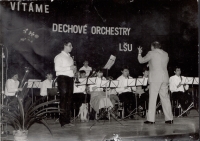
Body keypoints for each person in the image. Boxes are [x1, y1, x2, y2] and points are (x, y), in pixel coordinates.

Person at [137, 41, 173, 124]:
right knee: (165, 98)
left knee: (153, 98)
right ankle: (169, 119)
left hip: (155, 78)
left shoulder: (151, 53)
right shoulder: (165, 54)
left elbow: (141, 61)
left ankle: (151, 120)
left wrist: (139, 53)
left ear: (153, 47)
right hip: (164, 78)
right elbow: (160, 64)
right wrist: (151, 63)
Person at [54, 41, 76, 127]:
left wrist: (74, 71)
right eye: (70, 46)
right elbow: (57, 69)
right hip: (62, 78)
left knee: (69, 100)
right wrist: (69, 67)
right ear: (65, 46)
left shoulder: (70, 58)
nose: (72, 47)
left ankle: (67, 120)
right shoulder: (59, 57)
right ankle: (62, 122)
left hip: (70, 79)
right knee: (63, 99)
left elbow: (70, 70)